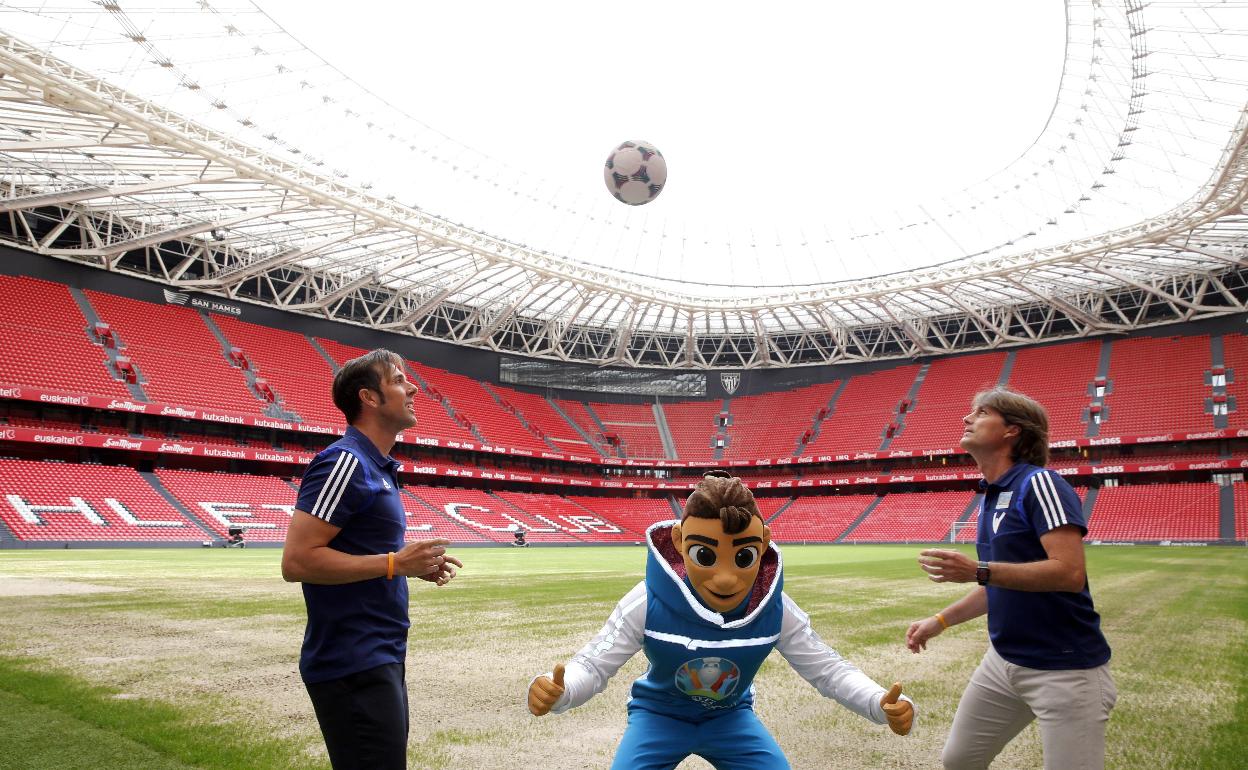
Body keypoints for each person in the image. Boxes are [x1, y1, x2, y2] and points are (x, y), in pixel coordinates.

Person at [528, 470, 914, 769]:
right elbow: (594, 663)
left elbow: (827, 669)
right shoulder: (647, 602)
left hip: (730, 718)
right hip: (658, 716)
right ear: (679, 541)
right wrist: (564, 689)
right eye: (706, 556)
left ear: (763, 543)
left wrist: (876, 701)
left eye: (743, 557)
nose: (726, 578)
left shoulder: (774, 609)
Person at [906, 386, 1115, 770]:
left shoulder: (1040, 483)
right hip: (1003, 663)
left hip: (1065, 669)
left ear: (1012, 430)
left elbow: (1069, 572)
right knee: (959, 762)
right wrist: (939, 621)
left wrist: (978, 570)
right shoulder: (992, 494)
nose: (967, 418)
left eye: (982, 413)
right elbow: (1000, 583)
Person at [281, 348, 462, 770]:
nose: (413, 388)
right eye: (398, 380)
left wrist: (409, 566)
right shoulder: (344, 462)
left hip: (379, 654)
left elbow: (363, 553)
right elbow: (297, 562)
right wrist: (395, 564)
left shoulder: (377, 468)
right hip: (352, 660)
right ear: (369, 398)